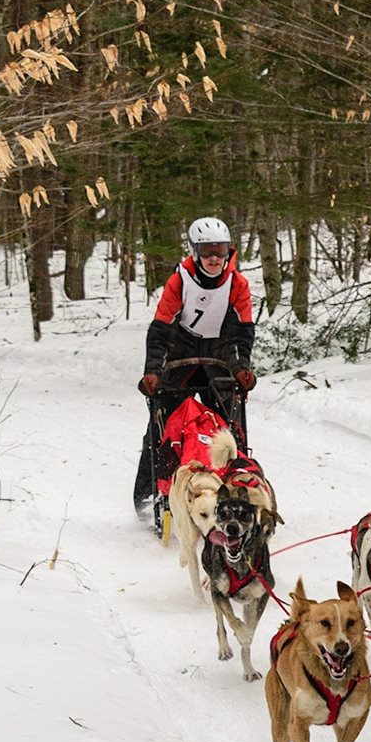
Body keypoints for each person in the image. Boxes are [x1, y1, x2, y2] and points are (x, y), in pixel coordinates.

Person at [133, 217, 258, 531]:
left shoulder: (238, 283)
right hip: (182, 350)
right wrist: (152, 371)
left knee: (230, 428)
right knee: (164, 423)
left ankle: (239, 493)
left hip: (222, 352)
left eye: (219, 251)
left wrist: (243, 368)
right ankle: (152, 495)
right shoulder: (180, 280)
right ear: (195, 252)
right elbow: (160, 329)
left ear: (229, 251)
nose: (214, 258)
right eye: (206, 251)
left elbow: (244, 331)